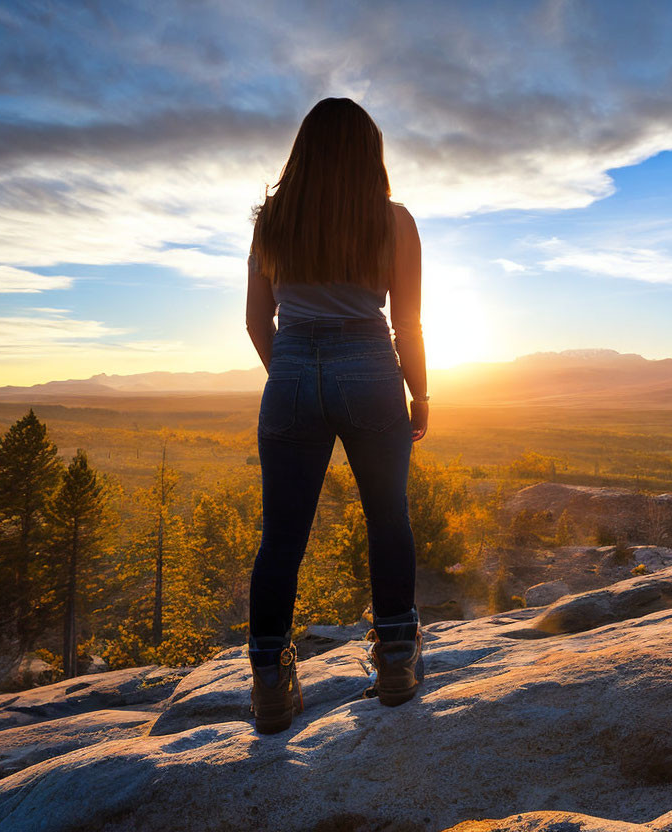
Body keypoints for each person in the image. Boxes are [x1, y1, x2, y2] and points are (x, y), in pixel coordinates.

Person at [244, 97, 429, 733]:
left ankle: (270, 680)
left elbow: (254, 319)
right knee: (388, 517)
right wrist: (420, 395)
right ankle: (398, 660)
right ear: (367, 153)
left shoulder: (272, 222)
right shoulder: (394, 222)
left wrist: (293, 374)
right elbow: (406, 320)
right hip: (372, 370)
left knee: (281, 537)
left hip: (292, 367)